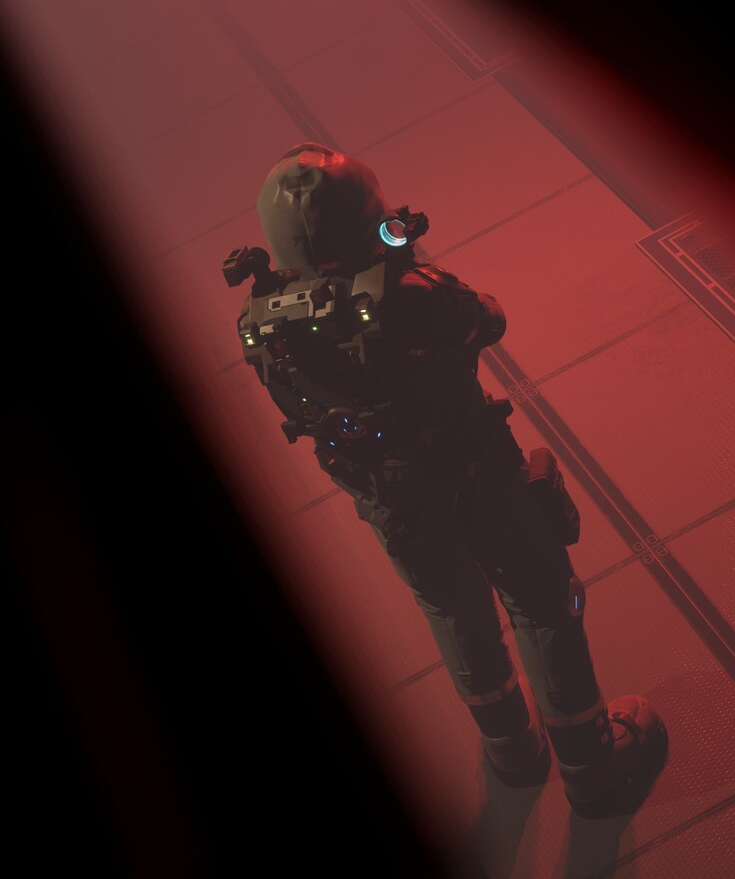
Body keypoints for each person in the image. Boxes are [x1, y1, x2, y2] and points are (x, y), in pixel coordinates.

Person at [226, 142, 667, 818]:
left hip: (385, 496)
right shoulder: (409, 295)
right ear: (367, 217)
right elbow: (489, 318)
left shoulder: (258, 319)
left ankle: (511, 750)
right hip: (476, 472)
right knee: (545, 603)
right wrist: (404, 263)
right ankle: (593, 768)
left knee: (452, 611)